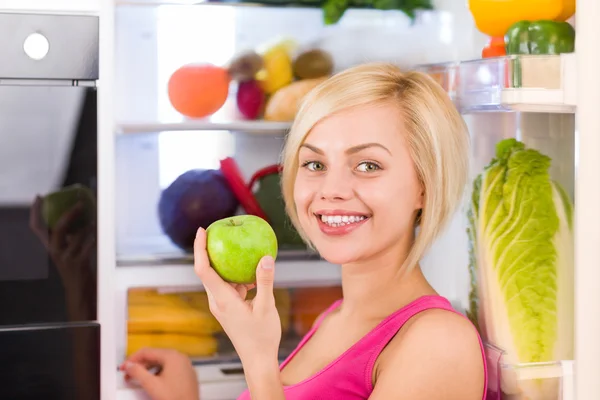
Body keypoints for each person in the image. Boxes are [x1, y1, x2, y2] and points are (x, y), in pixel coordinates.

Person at [120, 62, 488, 400]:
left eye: (368, 165)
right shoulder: (336, 317)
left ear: (425, 184)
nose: (331, 189)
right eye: (314, 162)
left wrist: (258, 360)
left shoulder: (439, 344)